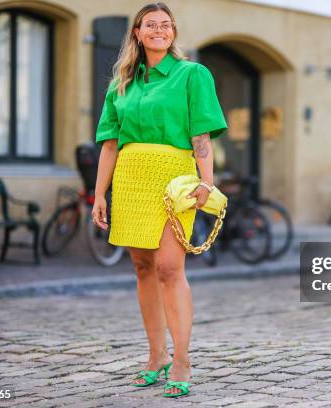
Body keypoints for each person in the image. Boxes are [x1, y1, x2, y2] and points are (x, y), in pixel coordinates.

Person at [91, 2, 227, 398]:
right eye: (150, 24)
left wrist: (207, 184)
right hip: (131, 179)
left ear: (173, 33)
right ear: (137, 32)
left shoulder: (192, 74)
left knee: (169, 266)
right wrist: (100, 194)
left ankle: (181, 358)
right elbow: (110, 144)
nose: (159, 30)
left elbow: (201, 136)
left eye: (166, 25)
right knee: (141, 267)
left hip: (175, 180)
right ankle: (156, 356)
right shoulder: (121, 83)